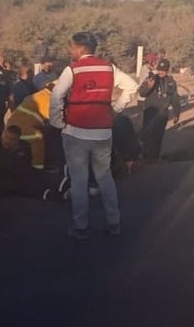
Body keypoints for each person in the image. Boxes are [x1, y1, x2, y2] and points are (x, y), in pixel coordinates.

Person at [49, 31, 138, 239]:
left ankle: (81, 226)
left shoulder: (72, 69)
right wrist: (116, 109)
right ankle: (114, 222)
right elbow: (132, 87)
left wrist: (57, 122)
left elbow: (57, 96)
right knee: (105, 178)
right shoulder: (109, 67)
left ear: (80, 48)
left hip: (75, 132)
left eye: (71, 47)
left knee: (79, 181)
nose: (70, 51)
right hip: (102, 133)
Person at [0, 125, 68, 201]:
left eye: (12, 139)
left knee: (38, 174)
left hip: (22, 173)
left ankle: (63, 183)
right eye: (6, 137)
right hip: (3, 178)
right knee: (24, 186)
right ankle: (54, 195)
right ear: (3, 135)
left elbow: (25, 164)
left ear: (18, 140)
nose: (7, 141)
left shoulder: (24, 147)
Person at [138, 58, 182, 161]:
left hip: (162, 114)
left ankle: (154, 158)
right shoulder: (151, 78)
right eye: (160, 69)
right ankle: (145, 157)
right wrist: (149, 86)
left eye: (164, 70)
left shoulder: (171, 82)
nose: (161, 72)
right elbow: (141, 92)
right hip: (150, 112)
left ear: (167, 70)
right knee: (147, 136)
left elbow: (175, 99)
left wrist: (177, 113)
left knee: (157, 137)